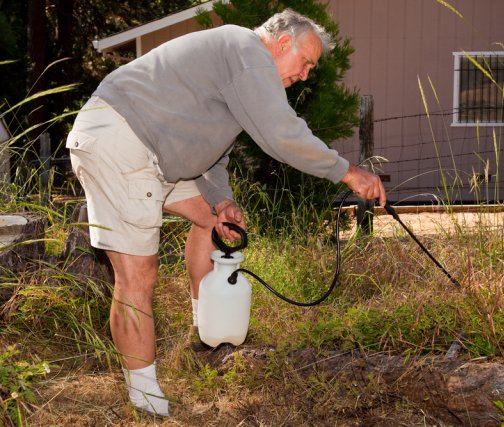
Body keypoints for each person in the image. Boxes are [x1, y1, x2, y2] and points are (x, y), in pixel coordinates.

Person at [66, 9, 386, 417]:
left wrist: (220, 201)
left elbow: (213, 153)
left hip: (152, 149)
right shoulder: (245, 50)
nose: (306, 75)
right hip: (120, 137)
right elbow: (281, 135)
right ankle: (144, 399)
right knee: (137, 274)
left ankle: (206, 333)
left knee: (213, 222)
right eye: (306, 63)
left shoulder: (237, 63)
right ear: (283, 43)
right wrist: (347, 172)